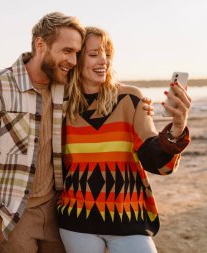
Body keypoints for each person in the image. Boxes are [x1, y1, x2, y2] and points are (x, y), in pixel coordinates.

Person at [0, 12, 85, 252]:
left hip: (57, 210)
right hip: (13, 217)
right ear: (40, 45)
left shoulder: (65, 88)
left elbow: (103, 88)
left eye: (77, 53)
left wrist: (140, 103)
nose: (74, 61)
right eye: (67, 51)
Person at [57, 26, 191, 253]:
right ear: (77, 59)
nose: (103, 61)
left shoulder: (130, 98)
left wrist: (178, 126)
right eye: (93, 54)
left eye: (107, 54)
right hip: (76, 218)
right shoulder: (61, 105)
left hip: (127, 218)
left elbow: (153, 157)